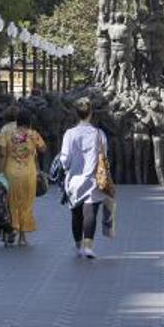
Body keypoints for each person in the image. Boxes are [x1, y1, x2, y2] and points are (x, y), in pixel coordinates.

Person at [58, 98, 109, 259]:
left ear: (76, 114)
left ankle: (78, 245)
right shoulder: (99, 134)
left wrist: (65, 167)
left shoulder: (69, 134)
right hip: (93, 179)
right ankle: (88, 246)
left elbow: (64, 159)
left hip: (74, 180)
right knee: (91, 212)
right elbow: (104, 155)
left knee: (76, 214)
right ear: (91, 113)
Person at [0, 109, 46, 246]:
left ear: (17, 122)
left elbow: (1, 153)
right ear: (29, 122)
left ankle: (12, 229)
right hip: (28, 174)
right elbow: (43, 149)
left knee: (12, 203)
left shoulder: (7, 133)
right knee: (26, 204)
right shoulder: (33, 134)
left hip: (11, 173)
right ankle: (22, 237)